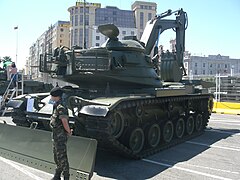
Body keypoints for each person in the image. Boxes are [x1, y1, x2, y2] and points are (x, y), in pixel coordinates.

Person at [50, 87, 71, 180]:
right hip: (55, 135)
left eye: (52, 95)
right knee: (56, 155)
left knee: (62, 157)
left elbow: (64, 121)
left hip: (60, 136)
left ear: (56, 96)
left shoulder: (61, 107)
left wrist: (69, 131)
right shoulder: (56, 105)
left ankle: (66, 176)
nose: (50, 97)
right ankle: (57, 175)